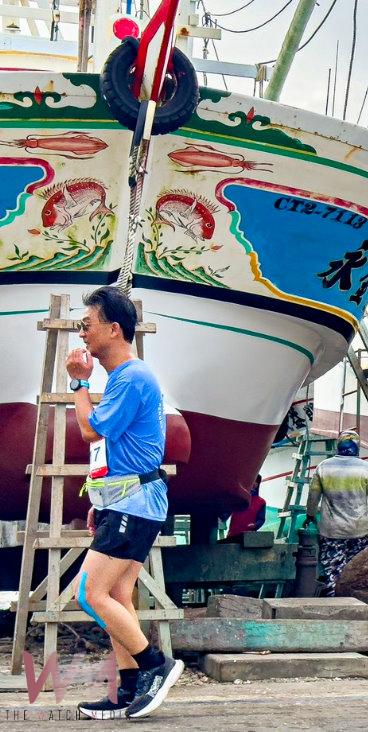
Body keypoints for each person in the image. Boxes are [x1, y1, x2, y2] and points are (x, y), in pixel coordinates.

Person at [69, 286, 183, 720]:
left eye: (87, 325)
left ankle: (157, 665)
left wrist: (78, 384)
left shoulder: (132, 377)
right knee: (117, 594)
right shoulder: (125, 379)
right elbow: (115, 449)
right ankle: (130, 687)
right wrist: (102, 499)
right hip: (129, 500)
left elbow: (91, 431)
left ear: (113, 329)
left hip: (135, 502)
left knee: (89, 593)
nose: (83, 334)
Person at [305, 429, 368, 596]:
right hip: (358, 532)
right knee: (357, 574)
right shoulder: (367, 469)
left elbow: (313, 496)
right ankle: (355, 606)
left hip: (331, 532)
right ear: (357, 447)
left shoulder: (323, 467)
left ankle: (334, 608)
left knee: (332, 574)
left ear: (338, 446)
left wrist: (310, 515)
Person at [225, 475, 267, 540]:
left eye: (256, 481)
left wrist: (255, 525)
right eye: (251, 481)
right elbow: (226, 513)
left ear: (257, 484)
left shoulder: (261, 502)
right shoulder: (237, 497)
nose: (253, 483)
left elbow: (261, 519)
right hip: (232, 535)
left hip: (249, 538)